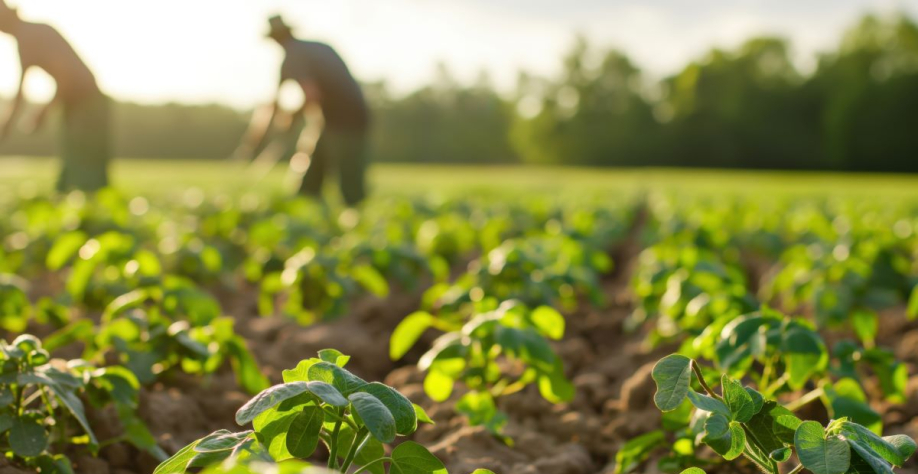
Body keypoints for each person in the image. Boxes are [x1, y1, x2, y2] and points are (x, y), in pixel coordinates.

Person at [238, 15, 370, 206]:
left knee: (348, 176)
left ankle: (353, 213)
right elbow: (276, 104)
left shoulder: (293, 56)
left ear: (275, 39)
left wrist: (291, 118)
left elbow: (311, 95)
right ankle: (307, 204)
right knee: (314, 165)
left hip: (343, 119)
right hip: (347, 114)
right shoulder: (318, 47)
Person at [0, 1, 111, 191]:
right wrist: (6, 126)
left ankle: (93, 211)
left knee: (87, 162)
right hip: (75, 102)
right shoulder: (26, 39)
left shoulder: (31, 36)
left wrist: (42, 111)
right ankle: (72, 200)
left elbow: (66, 76)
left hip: (87, 101)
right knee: (72, 160)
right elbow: (21, 93)